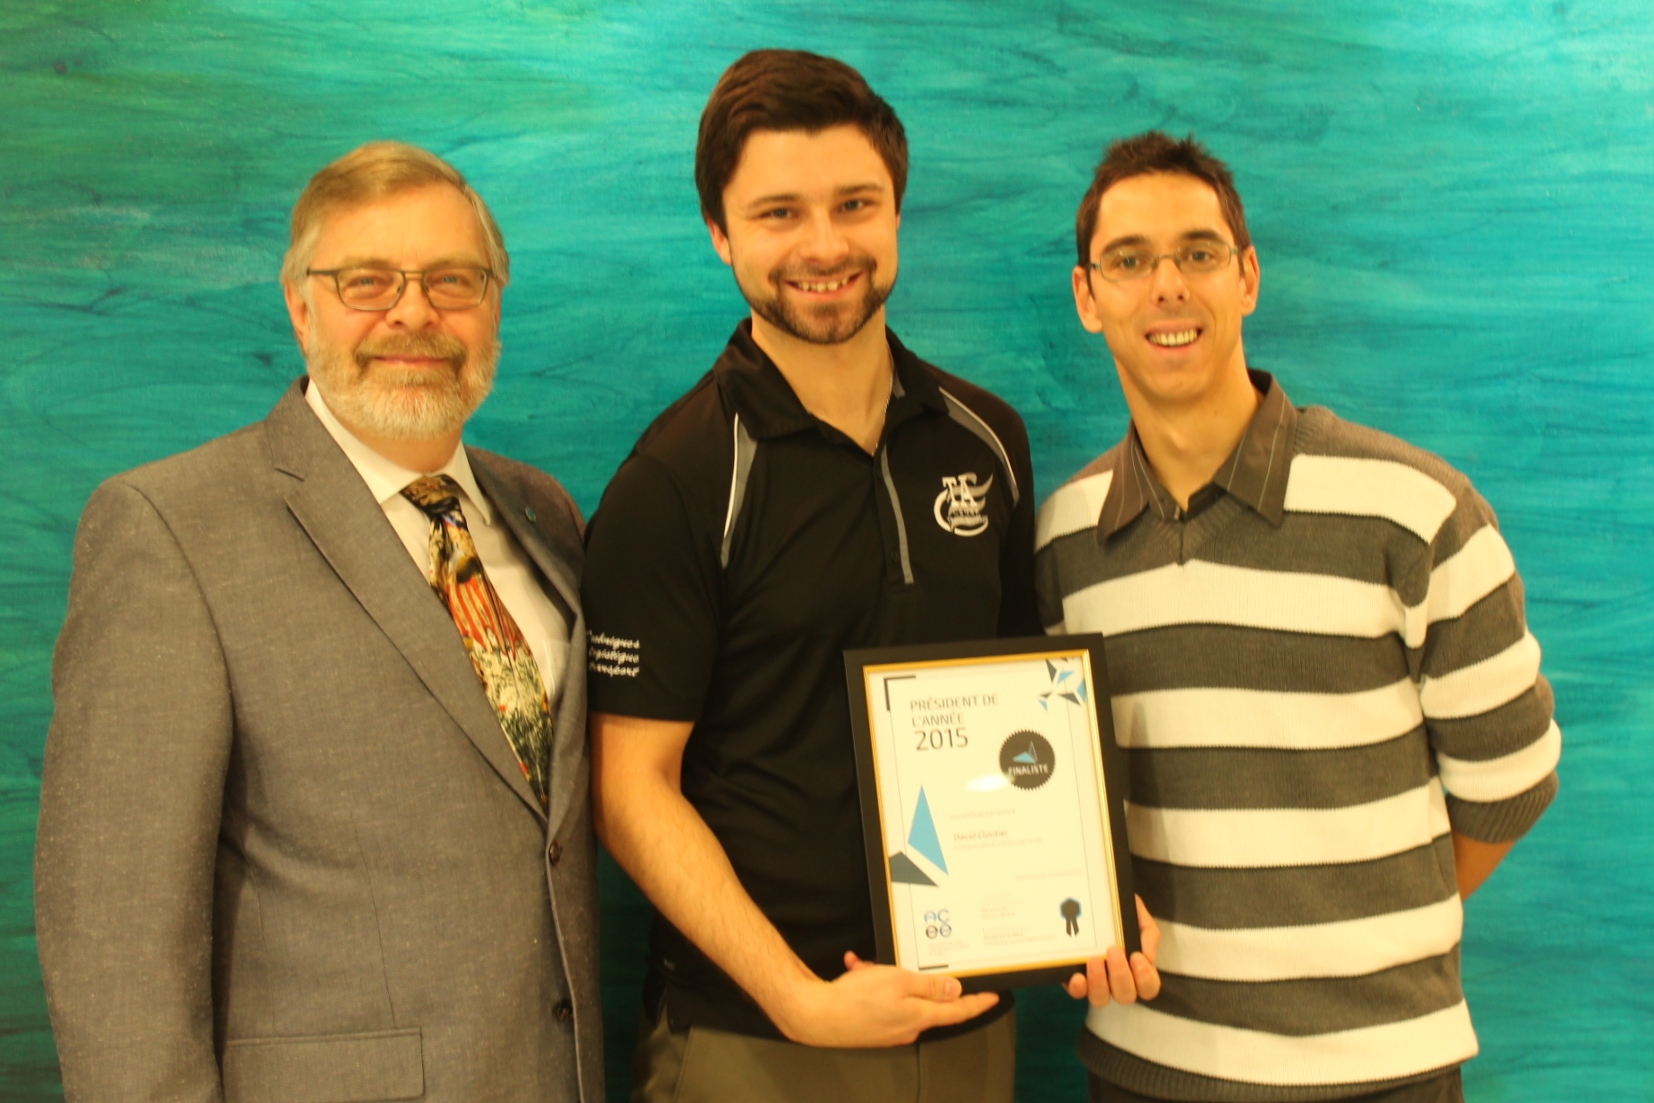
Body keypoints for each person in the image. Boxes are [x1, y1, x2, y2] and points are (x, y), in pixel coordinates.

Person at [583, 49, 1156, 1103]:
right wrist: (798, 995)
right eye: (777, 213)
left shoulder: (986, 440)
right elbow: (629, 791)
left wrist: (1090, 893)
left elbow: (1023, 708)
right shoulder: (677, 479)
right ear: (720, 232)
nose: (824, 245)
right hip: (755, 1041)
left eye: (855, 203)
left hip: (966, 1023)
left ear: (896, 212)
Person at [35, 142, 601, 1103]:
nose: (413, 312)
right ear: (301, 307)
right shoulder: (169, 528)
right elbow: (115, 935)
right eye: (366, 281)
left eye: (451, 280)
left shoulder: (544, 513)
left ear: (493, 304)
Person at [1035, 131, 1562, 1103]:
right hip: (1145, 1068)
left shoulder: (1414, 509)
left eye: (1197, 253)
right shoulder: (1062, 540)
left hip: (1378, 1075)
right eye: (1129, 260)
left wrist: (1359, 929)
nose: (1166, 287)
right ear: (1087, 296)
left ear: (1246, 278)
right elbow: (1062, 802)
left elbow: (1509, 785)